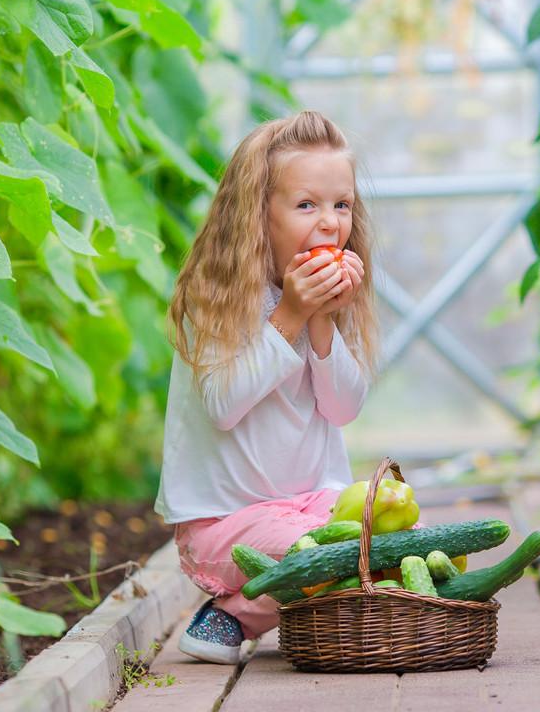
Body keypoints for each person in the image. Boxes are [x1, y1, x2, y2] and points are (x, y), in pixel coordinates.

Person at [155, 110, 380, 664]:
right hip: (225, 524)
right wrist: (292, 316)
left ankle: (260, 612)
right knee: (340, 553)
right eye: (307, 205)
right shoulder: (217, 294)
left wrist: (323, 319)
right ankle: (232, 612)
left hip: (313, 506)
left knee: (402, 536)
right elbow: (225, 404)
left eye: (341, 205)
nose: (329, 223)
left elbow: (344, 407)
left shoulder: (326, 299)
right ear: (258, 215)